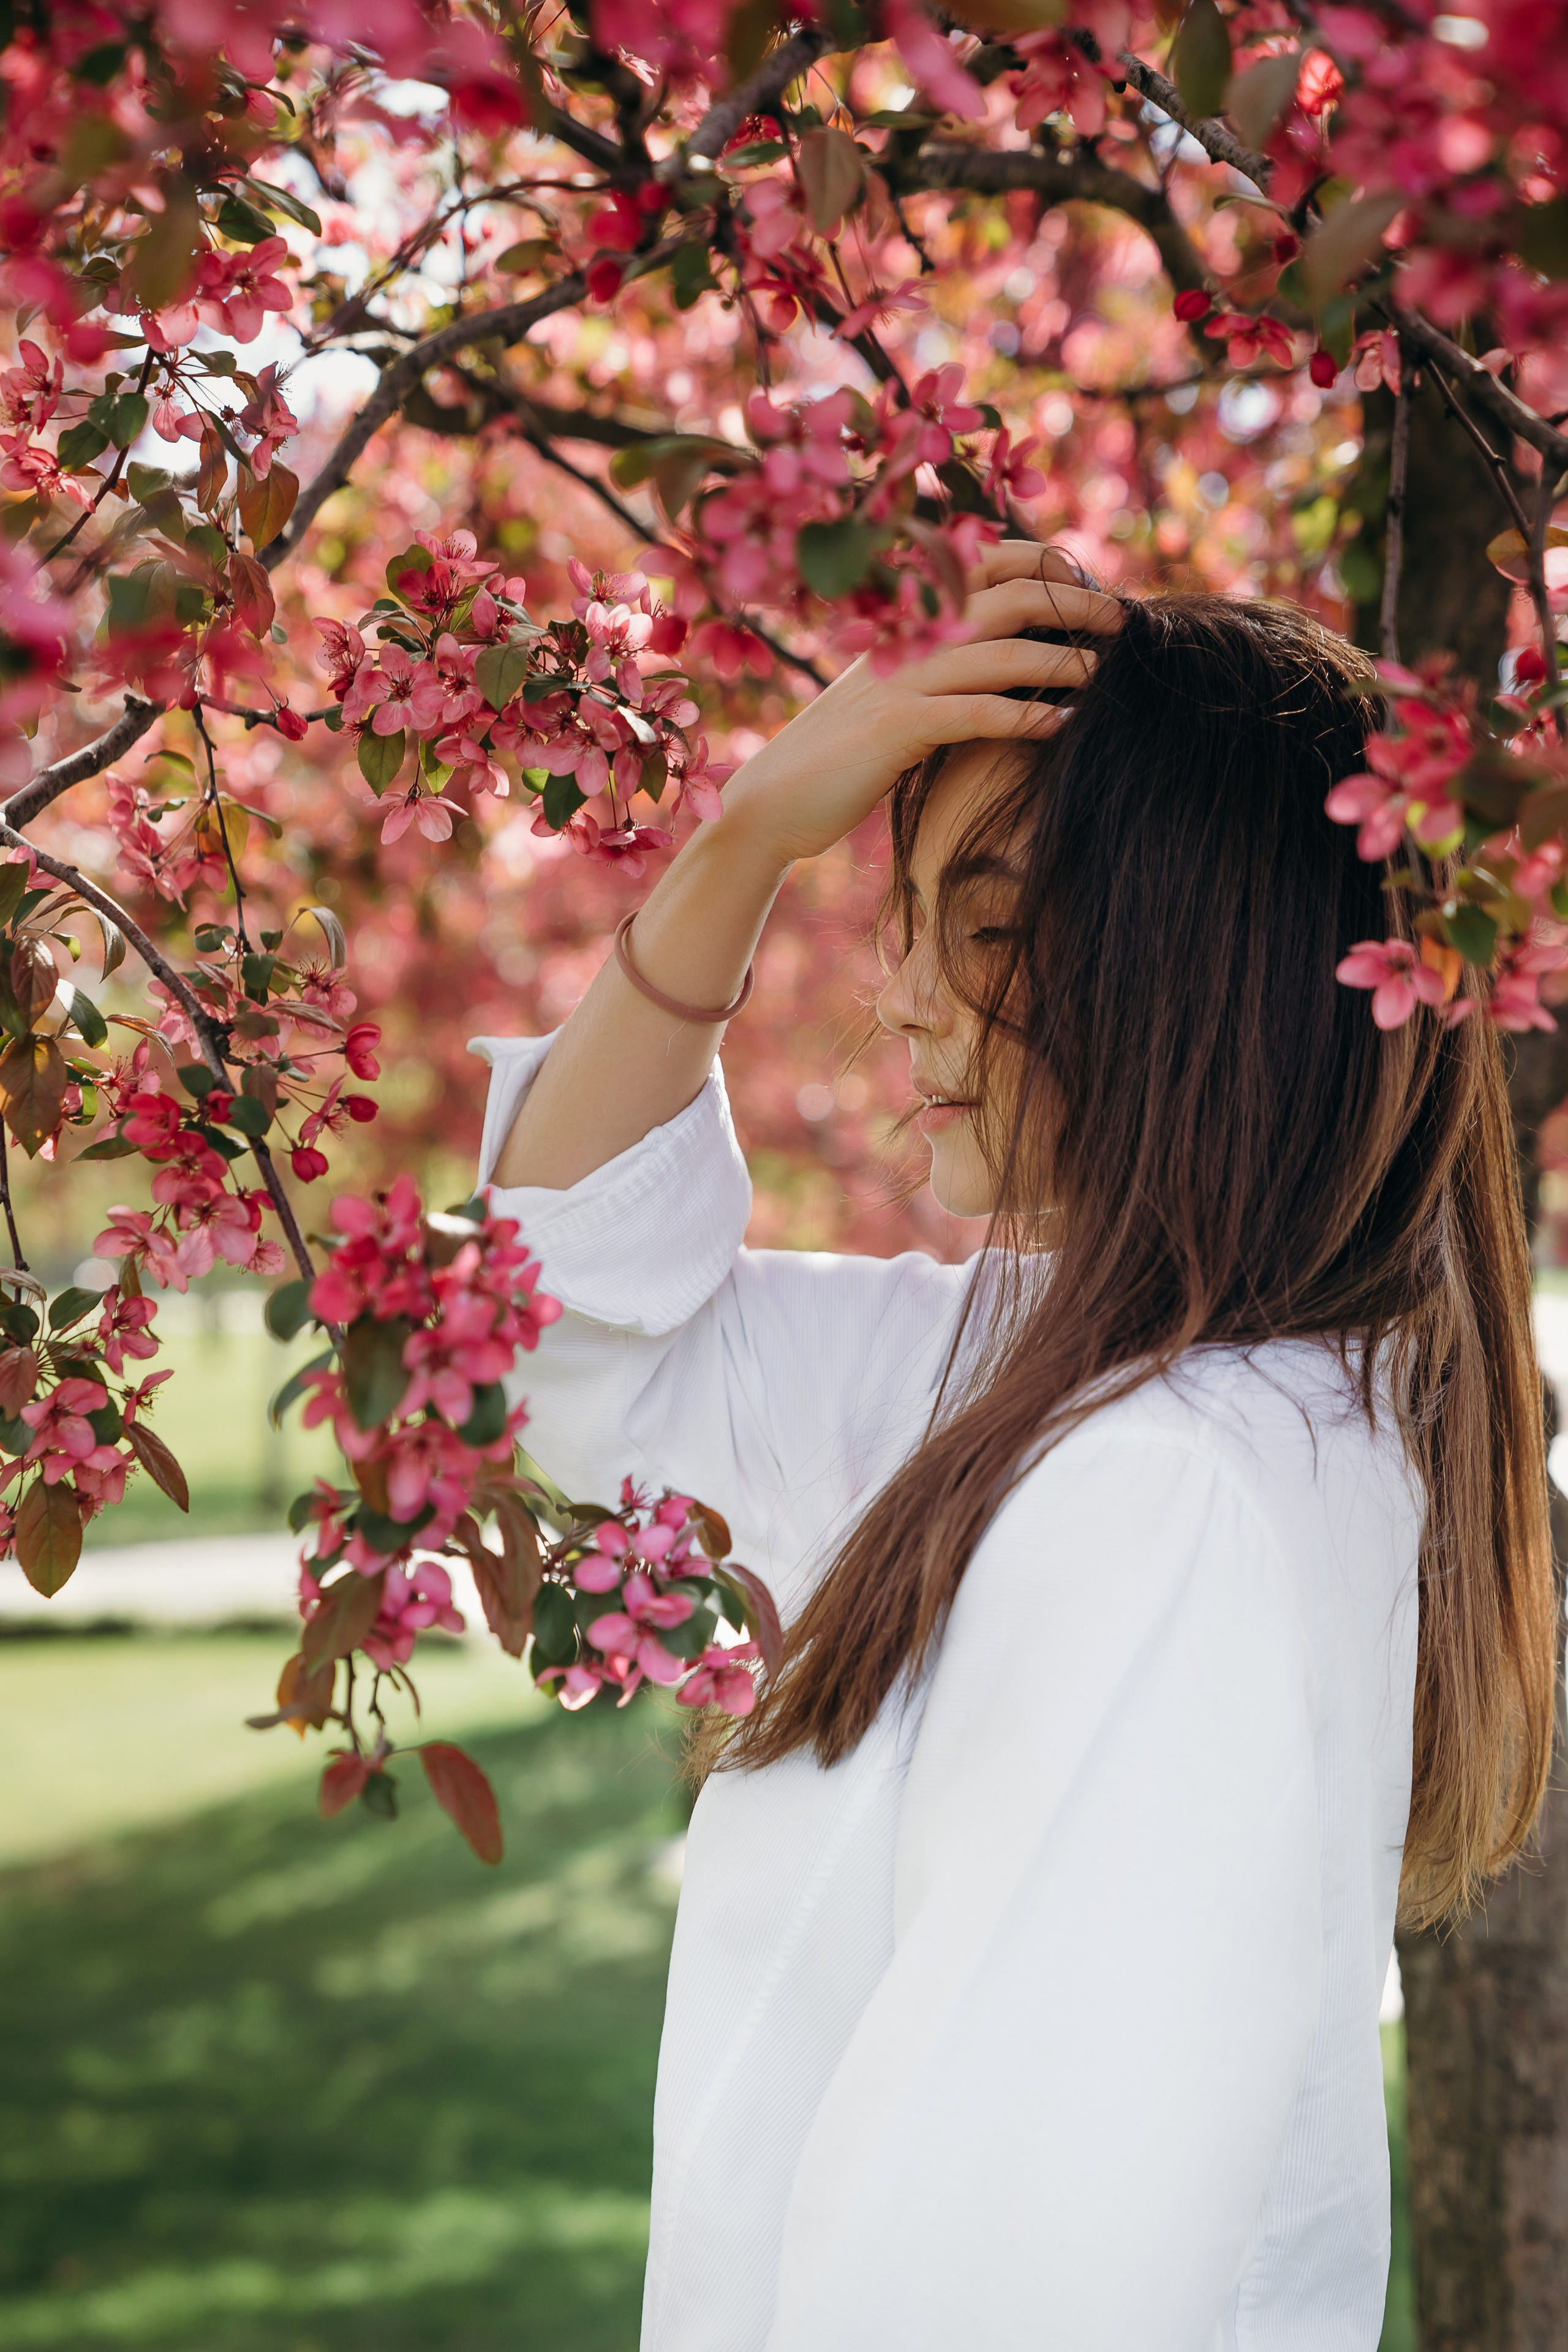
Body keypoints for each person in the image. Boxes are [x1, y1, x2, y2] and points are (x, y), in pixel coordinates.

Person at [471, 543, 1556, 2351]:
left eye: (984, 929)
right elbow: (558, 1354)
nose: (904, 1001)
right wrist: (743, 844)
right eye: (913, 920)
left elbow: (1005, 2260)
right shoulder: (1085, 1388)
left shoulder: (1169, 1485)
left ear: (1202, 960)